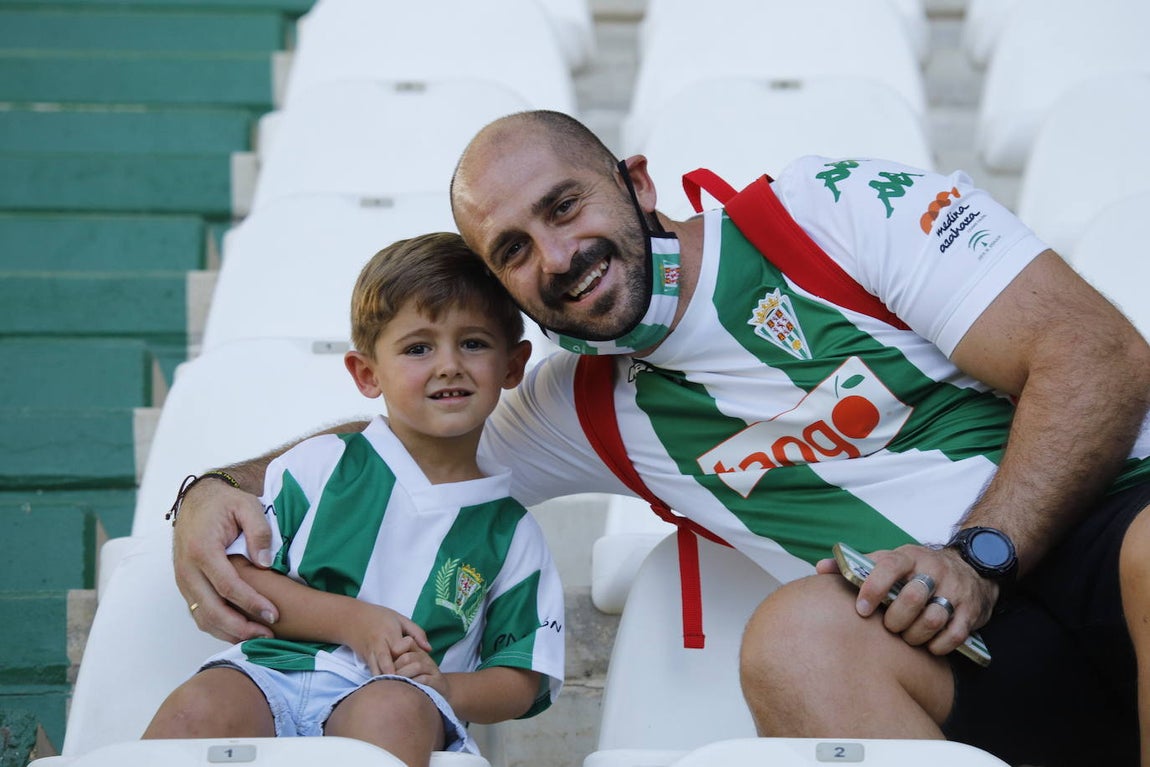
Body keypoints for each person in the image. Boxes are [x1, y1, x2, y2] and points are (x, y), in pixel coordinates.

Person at [171, 111, 1150, 767]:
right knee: (798, 637)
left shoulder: (828, 209)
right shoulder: (574, 404)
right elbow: (397, 441)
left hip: (1098, 538)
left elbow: (1097, 352)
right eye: (513, 250)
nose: (558, 257)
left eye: (566, 207)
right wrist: (212, 486)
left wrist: (979, 551)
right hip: (955, 654)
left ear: (634, 183)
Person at [145, 232, 564, 767]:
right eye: (418, 348)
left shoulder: (513, 534)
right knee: (198, 706)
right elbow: (243, 577)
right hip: (271, 674)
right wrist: (354, 621)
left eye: (474, 343)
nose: (448, 365)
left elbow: (522, 677)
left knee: (393, 709)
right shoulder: (320, 464)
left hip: (398, 697)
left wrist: (447, 688)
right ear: (367, 374)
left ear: (513, 365)